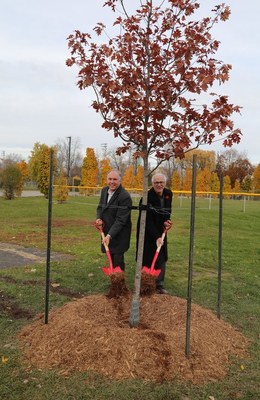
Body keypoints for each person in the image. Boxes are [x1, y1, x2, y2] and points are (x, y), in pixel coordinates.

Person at [137, 173, 173, 294]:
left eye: (161, 182)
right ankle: (145, 284)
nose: (159, 184)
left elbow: (168, 211)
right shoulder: (146, 197)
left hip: (161, 229)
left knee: (161, 256)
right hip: (147, 230)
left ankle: (159, 284)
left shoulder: (168, 194)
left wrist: (167, 222)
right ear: (152, 184)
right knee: (147, 255)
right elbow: (147, 221)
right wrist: (156, 237)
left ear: (165, 183)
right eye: (156, 182)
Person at [96, 170, 132, 271]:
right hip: (107, 231)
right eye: (110, 179)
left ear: (120, 181)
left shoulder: (124, 196)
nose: (112, 182)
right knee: (110, 258)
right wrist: (99, 218)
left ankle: (119, 284)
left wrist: (109, 235)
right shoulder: (104, 191)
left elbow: (121, 220)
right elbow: (100, 207)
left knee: (118, 261)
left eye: (115, 179)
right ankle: (114, 283)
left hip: (119, 235)